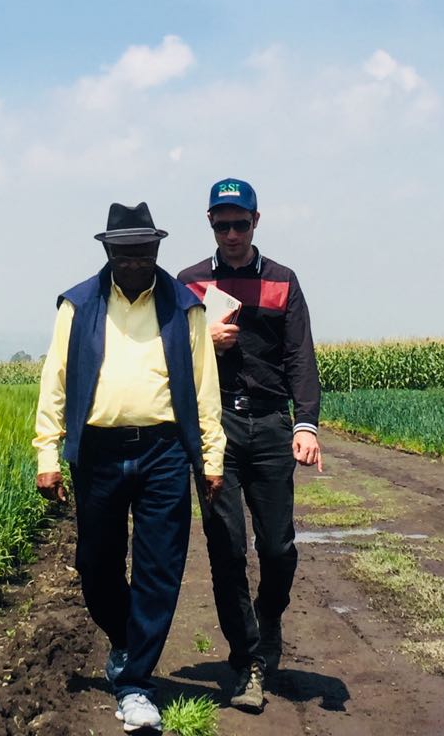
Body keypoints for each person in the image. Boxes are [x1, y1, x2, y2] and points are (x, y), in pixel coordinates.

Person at [34, 202, 225, 734]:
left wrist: (211, 459)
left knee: (160, 570)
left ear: (157, 249)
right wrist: (47, 455)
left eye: (146, 250)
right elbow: (54, 383)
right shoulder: (77, 305)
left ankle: (135, 682)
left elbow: (206, 390)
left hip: (164, 452)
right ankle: (126, 641)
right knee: (96, 566)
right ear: (109, 252)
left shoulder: (185, 306)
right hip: (97, 453)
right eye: (126, 251)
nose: (137, 260)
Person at [178, 178, 322, 714]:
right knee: (226, 547)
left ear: (256, 222)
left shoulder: (282, 281)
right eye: (222, 224)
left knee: (279, 548)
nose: (232, 233)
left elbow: (300, 358)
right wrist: (203, 341)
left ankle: (269, 619)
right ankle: (247, 662)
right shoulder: (189, 283)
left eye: (241, 223)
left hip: (269, 427)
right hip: (216, 429)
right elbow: (169, 357)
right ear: (210, 225)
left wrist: (305, 424)